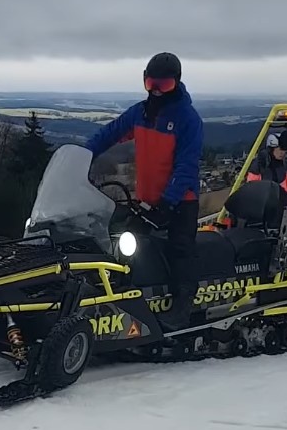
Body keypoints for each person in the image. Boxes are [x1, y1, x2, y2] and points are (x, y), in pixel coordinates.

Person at [85, 52, 203, 328]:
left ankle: (183, 307)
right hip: (148, 198)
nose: (158, 91)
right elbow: (111, 132)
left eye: (165, 85)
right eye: (152, 84)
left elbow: (186, 166)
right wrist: (81, 154)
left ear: (177, 83)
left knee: (180, 249)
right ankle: (121, 300)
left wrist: (168, 202)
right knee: (124, 245)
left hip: (180, 200)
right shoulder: (142, 113)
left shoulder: (187, 118)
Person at [246, 132, 287, 200]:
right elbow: (251, 185)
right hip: (263, 201)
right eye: (279, 149)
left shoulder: (286, 164)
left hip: (281, 201)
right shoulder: (260, 164)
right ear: (271, 149)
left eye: (284, 150)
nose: (282, 152)